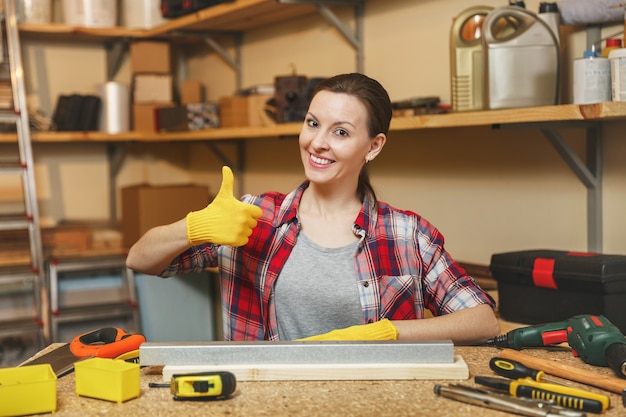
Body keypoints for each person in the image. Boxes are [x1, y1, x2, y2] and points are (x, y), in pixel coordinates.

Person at [126, 72, 500, 344]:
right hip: (263, 399)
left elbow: (483, 321)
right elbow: (140, 260)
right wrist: (194, 226)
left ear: (373, 146)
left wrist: (388, 332)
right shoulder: (254, 217)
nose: (317, 143)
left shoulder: (406, 234)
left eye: (340, 132)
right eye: (312, 123)